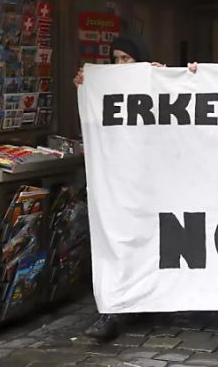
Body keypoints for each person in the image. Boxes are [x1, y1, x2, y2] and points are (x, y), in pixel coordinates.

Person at [74, 35, 164, 342]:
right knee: (118, 243)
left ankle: (144, 301)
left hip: (150, 183)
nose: (120, 65)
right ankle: (112, 311)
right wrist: (88, 89)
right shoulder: (108, 88)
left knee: (148, 244)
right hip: (118, 184)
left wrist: (166, 77)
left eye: (127, 59)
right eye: (115, 59)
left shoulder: (155, 80)